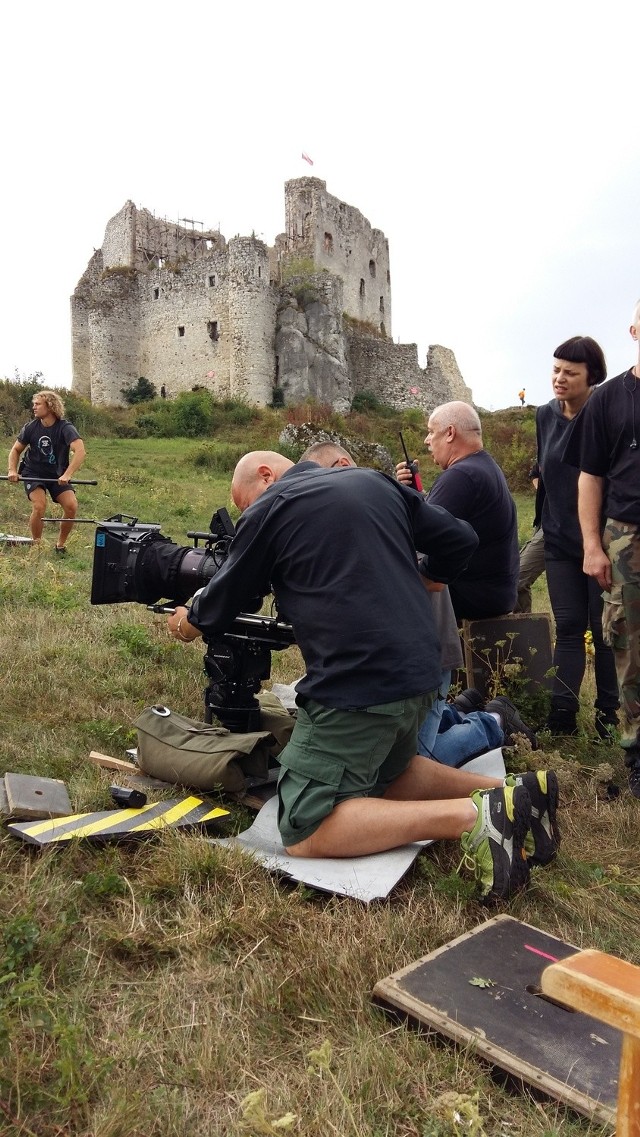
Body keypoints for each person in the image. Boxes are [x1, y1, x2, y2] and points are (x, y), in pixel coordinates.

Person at [167, 449, 560, 901]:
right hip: (424, 673)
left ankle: (476, 818)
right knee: (390, 774)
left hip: (360, 686)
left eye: (244, 504)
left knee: (304, 824)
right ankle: (516, 793)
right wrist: (432, 576)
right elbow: (461, 538)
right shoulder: (374, 482)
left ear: (265, 475)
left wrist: (185, 620)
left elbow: (222, 601)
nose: (246, 515)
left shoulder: (274, 505)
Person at [301, 442, 537, 767]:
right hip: (400, 660)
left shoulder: (373, 512)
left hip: (426, 657)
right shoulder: (371, 506)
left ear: (342, 467)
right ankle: (456, 713)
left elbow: (452, 548)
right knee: (390, 748)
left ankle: (492, 722)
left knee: (413, 767)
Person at [566, 302, 640, 795]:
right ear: (635, 330)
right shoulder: (610, 399)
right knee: (630, 647)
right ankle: (637, 754)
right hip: (627, 537)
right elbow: (590, 477)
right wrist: (593, 545)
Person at [536, 337, 618, 738]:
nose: (559, 378)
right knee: (568, 626)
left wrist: (602, 542)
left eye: (570, 372)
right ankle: (562, 720)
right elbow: (544, 477)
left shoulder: (609, 413)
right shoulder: (543, 416)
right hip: (559, 542)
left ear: (593, 377)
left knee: (604, 631)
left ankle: (608, 719)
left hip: (602, 543)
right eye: (556, 369)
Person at [395, 401, 519, 620]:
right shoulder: (485, 466)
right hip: (495, 595)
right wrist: (415, 494)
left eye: (431, 432)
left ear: (450, 433)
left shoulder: (461, 476)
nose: (427, 440)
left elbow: (424, 538)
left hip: (470, 601)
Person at [7, 390, 86, 554]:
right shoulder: (31, 427)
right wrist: (12, 470)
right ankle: (37, 545)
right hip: (33, 472)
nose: (33, 407)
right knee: (39, 505)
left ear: (50, 406)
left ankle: (60, 545)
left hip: (57, 474)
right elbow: (15, 450)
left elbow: (80, 451)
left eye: (37, 404)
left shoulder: (65, 428)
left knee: (71, 506)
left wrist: (67, 474)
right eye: (33, 404)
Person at [514, 462, 546, 614]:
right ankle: (523, 634)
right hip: (545, 523)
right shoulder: (546, 440)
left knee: (518, 577)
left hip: (574, 524)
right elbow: (535, 473)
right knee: (517, 578)